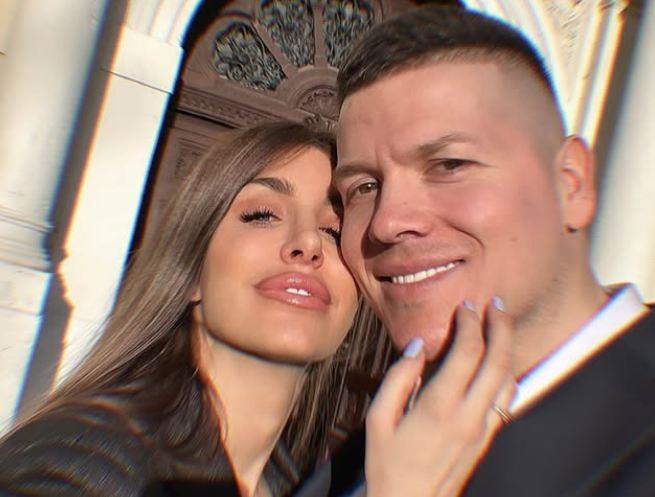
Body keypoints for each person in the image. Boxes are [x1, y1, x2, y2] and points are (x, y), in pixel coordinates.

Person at [0, 121, 513, 497]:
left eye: (333, 231)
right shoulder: (79, 459)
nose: (307, 243)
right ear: (190, 272)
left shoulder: (300, 477)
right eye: (262, 214)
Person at [328, 5, 655, 497]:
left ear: (571, 184)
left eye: (449, 165)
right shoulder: (364, 457)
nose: (388, 223)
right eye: (364, 187)